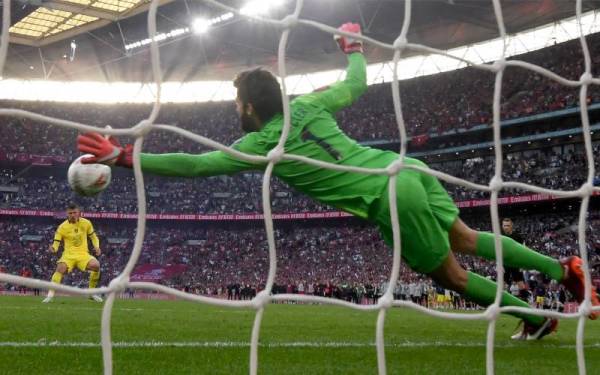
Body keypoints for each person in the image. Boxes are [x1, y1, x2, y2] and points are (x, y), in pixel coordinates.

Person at [77, 22, 599, 339]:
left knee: (453, 277)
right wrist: (352, 49)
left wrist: (126, 157)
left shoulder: (264, 144)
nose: (236, 108)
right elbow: (355, 84)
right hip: (404, 169)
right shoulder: (311, 103)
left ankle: (533, 314)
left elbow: (196, 166)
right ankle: (563, 267)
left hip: (389, 196)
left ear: (250, 107)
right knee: (466, 237)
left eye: (238, 103)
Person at [43, 203, 103, 303]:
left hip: (83, 254)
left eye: (74, 212)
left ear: (79, 212)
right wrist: (53, 248)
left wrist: (97, 247)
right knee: (60, 268)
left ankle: (91, 293)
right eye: (70, 213)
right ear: (67, 214)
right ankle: (50, 295)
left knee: (96, 265)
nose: (72, 215)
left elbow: (93, 237)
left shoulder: (86, 223)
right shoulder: (62, 227)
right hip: (68, 255)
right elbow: (56, 243)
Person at [501, 218, 530, 303]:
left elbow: (524, 251)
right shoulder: (500, 236)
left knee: (520, 283)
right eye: (504, 225)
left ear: (511, 226)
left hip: (515, 263)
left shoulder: (518, 237)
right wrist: (499, 264)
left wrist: (522, 264)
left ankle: (526, 302)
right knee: (502, 284)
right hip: (505, 263)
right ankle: (501, 302)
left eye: (508, 225)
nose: (506, 227)